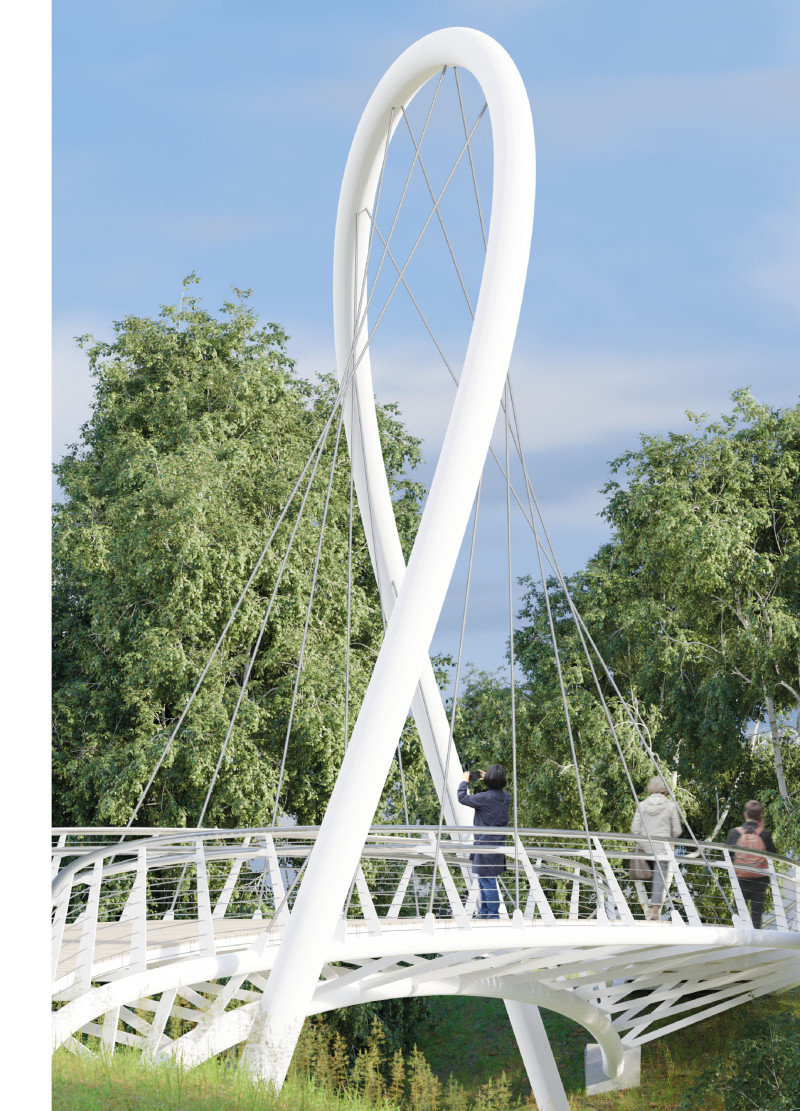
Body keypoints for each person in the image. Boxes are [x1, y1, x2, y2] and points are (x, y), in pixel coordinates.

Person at [457, 764, 510, 919]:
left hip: (484, 845)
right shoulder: (506, 797)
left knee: (487, 883)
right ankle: (484, 913)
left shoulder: (484, 798)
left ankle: (492, 915)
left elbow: (462, 798)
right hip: (497, 845)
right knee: (483, 880)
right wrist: (491, 778)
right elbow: (495, 792)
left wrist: (464, 782)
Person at [630, 776, 681, 921]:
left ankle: (649, 908)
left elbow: (635, 829)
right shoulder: (670, 806)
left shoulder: (642, 805)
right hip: (663, 848)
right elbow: (677, 831)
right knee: (660, 877)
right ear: (665, 791)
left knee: (647, 874)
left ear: (650, 790)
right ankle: (654, 911)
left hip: (645, 848)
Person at [726, 800, 777, 929]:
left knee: (739, 914)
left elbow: (727, 856)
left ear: (745, 814)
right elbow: (773, 854)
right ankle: (755, 941)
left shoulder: (734, 833)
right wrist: (762, 828)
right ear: (760, 816)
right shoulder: (765, 834)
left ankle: (739, 939)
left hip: (741, 880)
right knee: (756, 917)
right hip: (760, 881)